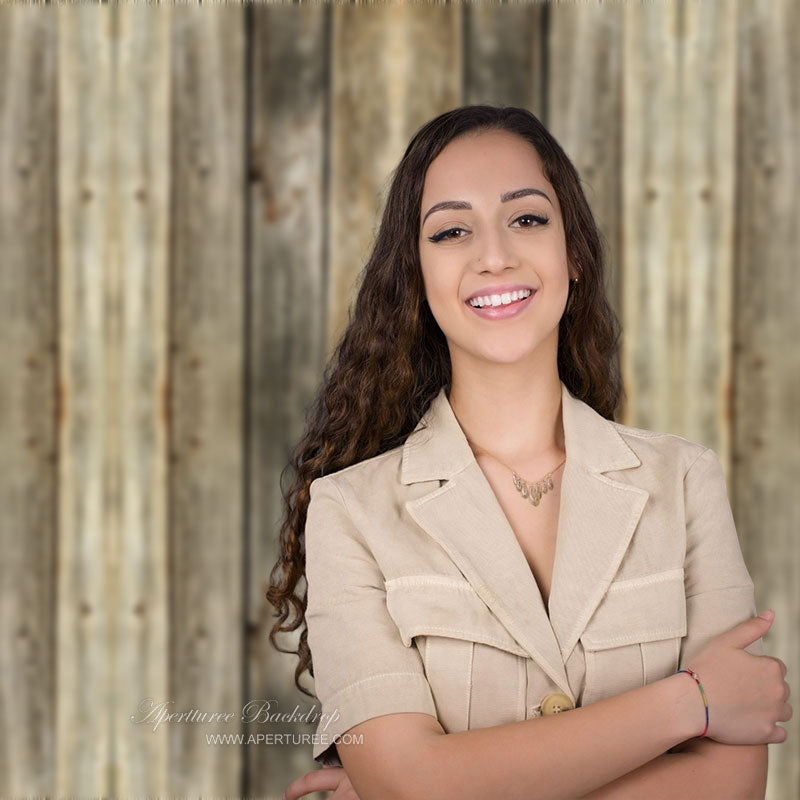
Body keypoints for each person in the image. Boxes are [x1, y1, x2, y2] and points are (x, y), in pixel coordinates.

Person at [267, 105, 791, 800]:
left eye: (527, 218)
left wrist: (441, 783)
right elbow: (410, 785)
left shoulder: (685, 481)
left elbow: (730, 785)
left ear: (571, 252)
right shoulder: (349, 512)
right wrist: (690, 702)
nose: (494, 255)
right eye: (452, 231)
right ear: (416, 277)